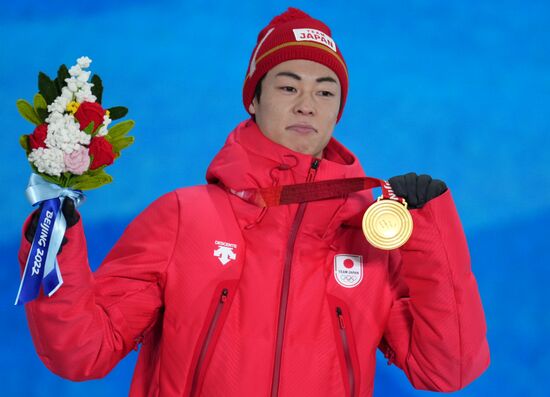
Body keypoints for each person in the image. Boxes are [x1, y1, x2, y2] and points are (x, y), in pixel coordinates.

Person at [19, 7, 490, 397]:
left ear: (337, 109)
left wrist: (430, 231)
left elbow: (448, 369)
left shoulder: (371, 232)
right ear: (253, 98)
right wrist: (54, 238)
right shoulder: (183, 217)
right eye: (288, 86)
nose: (307, 104)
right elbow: (82, 352)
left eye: (325, 92)